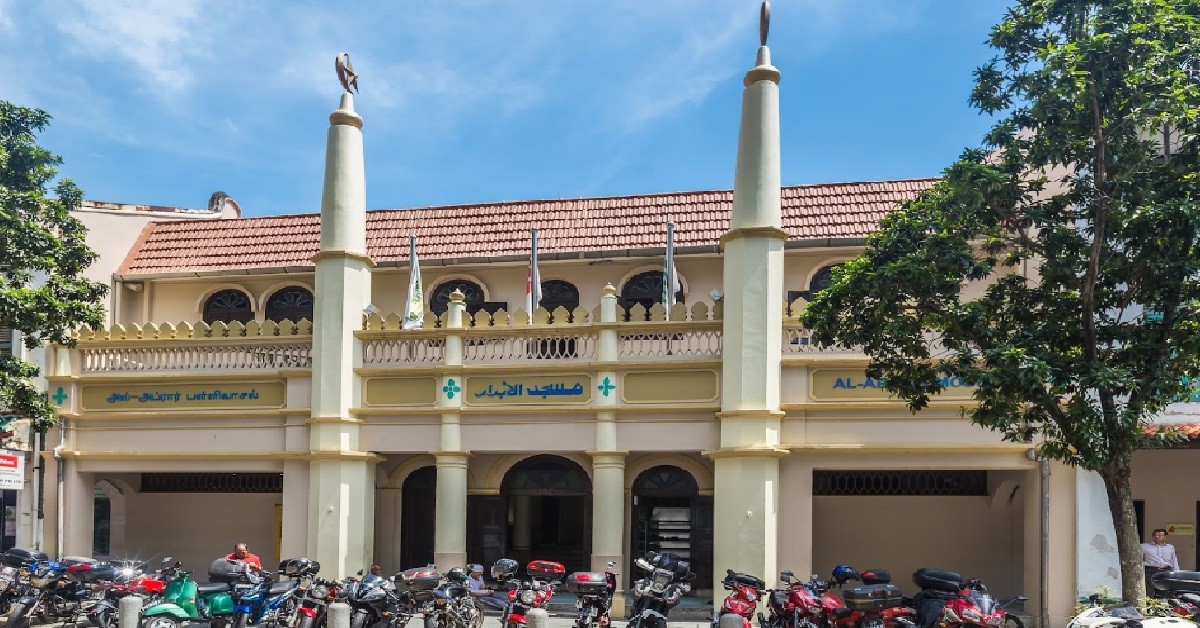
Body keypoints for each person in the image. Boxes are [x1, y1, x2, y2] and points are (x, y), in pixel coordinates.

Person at [1142, 528, 1179, 597]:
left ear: (1165, 537)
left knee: (1165, 590)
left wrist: (1176, 573)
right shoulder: (1144, 546)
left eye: (1159, 535)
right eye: (1155, 535)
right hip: (1150, 571)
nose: (1157, 537)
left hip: (1165, 570)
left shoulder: (1170, 547)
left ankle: (1164, 602)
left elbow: (1174, 560)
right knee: (1150, 590)